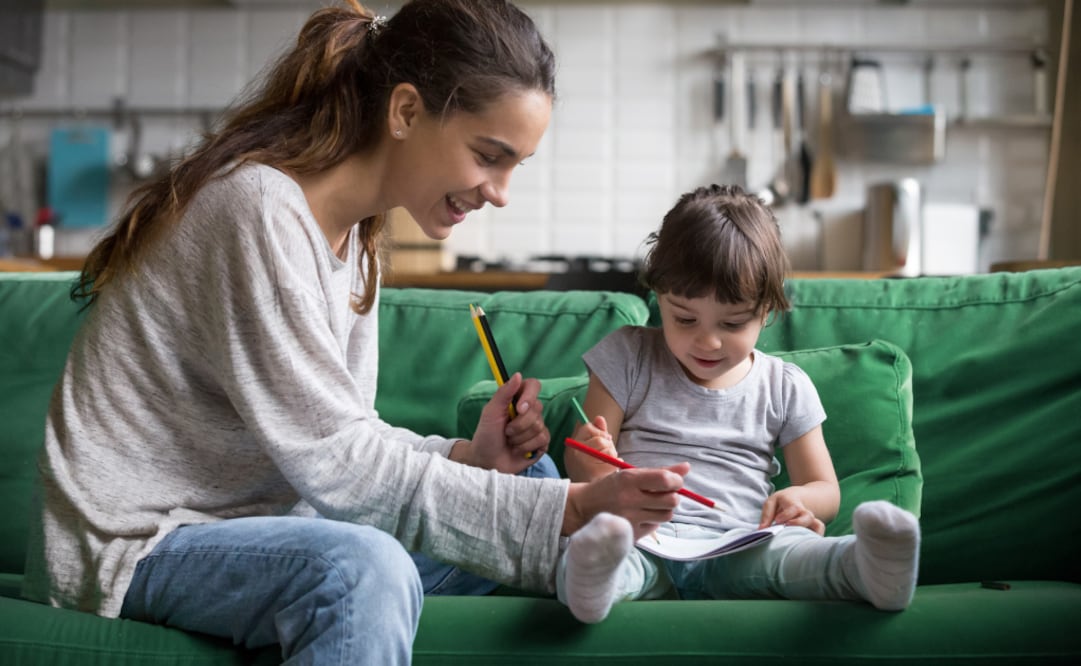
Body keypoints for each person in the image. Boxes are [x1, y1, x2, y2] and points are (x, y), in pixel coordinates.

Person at [21, 1, 692, 663]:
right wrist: (569, 511)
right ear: (405, 112)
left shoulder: (358, 240)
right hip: (139, 543)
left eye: (516, 165)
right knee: (362, 571)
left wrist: (469, 457)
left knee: (532, 479)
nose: (501, 191)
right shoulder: (258, 210)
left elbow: (348, 436)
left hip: (270, 527)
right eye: (489, 156)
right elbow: (337, 462)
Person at [558, 184, 921, 624]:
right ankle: (591, 582)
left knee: (793, 555)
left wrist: (798, 498)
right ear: (660, 296)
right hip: (642, 536)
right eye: (684, 318)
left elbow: (824, 489)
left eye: (732, 323)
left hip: (739, 543)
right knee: (601, 547)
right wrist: (591, 462)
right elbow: (586, 467)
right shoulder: (627, 356)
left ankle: (864, 567)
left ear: (766, 310)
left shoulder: (784, 386)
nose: (708, 341)